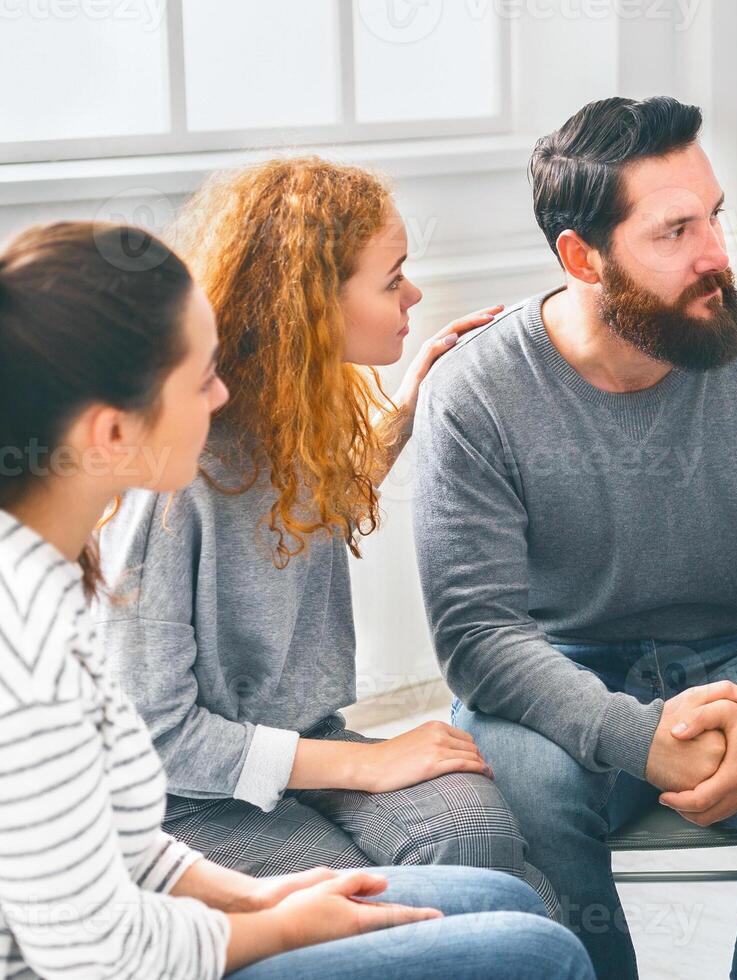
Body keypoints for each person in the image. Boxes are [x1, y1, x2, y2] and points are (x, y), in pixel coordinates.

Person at [0, 220, 592, 979]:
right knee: (539, 951)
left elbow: (120, 841)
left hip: (153, 908)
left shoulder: (49, 572)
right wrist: (280, 929)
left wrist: (253, 895)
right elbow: (97, 957)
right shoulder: (30, 653)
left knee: (502, 898)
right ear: (113, 432)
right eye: (200, 376)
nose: (220, 394)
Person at [413, 95, 737, 979]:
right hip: (559, 661)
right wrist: (639, 737)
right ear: (581, 256)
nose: (715, 256)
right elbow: (478, 635)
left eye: (713, 218)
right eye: (673, 232)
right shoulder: (475, 389)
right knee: (526, 790)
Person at [94, 158, 556, 914]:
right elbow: (155, 736)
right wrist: (364, 767)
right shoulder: (175, 475)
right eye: (392, 279)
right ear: (311, 306)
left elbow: (290, 517)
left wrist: (406, 408)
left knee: (480, 844)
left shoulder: (283, 424)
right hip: (176, 799)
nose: (413, 295)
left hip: (300, 745)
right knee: (400, 905)